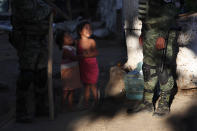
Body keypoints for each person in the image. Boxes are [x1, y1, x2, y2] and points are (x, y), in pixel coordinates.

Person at [127, 0, 179, 116]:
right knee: (148, 69)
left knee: (163, 70)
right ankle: (147, 103)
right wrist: (142, 33)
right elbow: (145, 17)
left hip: (162, 37)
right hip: (149, 36)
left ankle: (164, 105)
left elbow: (168, 13)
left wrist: (162, 36)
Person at [10, 0, 53, 122]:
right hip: (27, 41)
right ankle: (21, 111)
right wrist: (48, 10)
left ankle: (40, 107)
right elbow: (32, 15)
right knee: (27, 75)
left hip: (40, 40)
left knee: (41, 74)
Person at [56, 31, 82, 111]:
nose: (70, 37)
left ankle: (70, 106)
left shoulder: (71, 48)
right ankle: (63, 106)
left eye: (70, 35)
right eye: (67, 37)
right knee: (66, 90)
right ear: (62, 42)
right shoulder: (65, 50)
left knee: (72, 90)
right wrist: (84, 55)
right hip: (67, 72)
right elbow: (74, 58)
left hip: (73, 70)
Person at [77, 21, 99, 107]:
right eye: (86, 28)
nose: (89, 30)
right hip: (83, 67)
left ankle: (97, 102)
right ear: (80, 31)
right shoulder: (77, 42)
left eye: (90, 28)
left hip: (92, 67)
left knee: (93, 85)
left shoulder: (92, 41)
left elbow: (96, 52)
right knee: (86, 85)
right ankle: (86, 103)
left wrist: (86, 55)